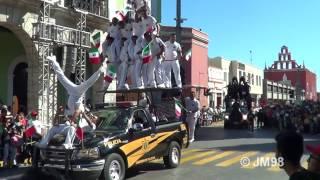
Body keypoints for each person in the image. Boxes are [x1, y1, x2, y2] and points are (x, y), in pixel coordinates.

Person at [46, 55, 105, 121]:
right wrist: (72, 120)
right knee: (88, 83)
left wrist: (62, 113)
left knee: (62, 78)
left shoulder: (68, 112)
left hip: (71, 91)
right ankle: (99, 71)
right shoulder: (81, 109)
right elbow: (77, 111)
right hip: (78, 93)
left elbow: (63, 111)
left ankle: (54, 61)